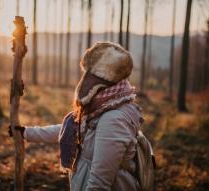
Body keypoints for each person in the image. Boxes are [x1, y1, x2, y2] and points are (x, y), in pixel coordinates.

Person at [9, 42, 144, 191]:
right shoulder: (101, 108)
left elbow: (99, 184)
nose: (84, 81)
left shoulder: (114, 120)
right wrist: (26, 133)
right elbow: (71, 130)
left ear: (103, 81)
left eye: (91, 75)